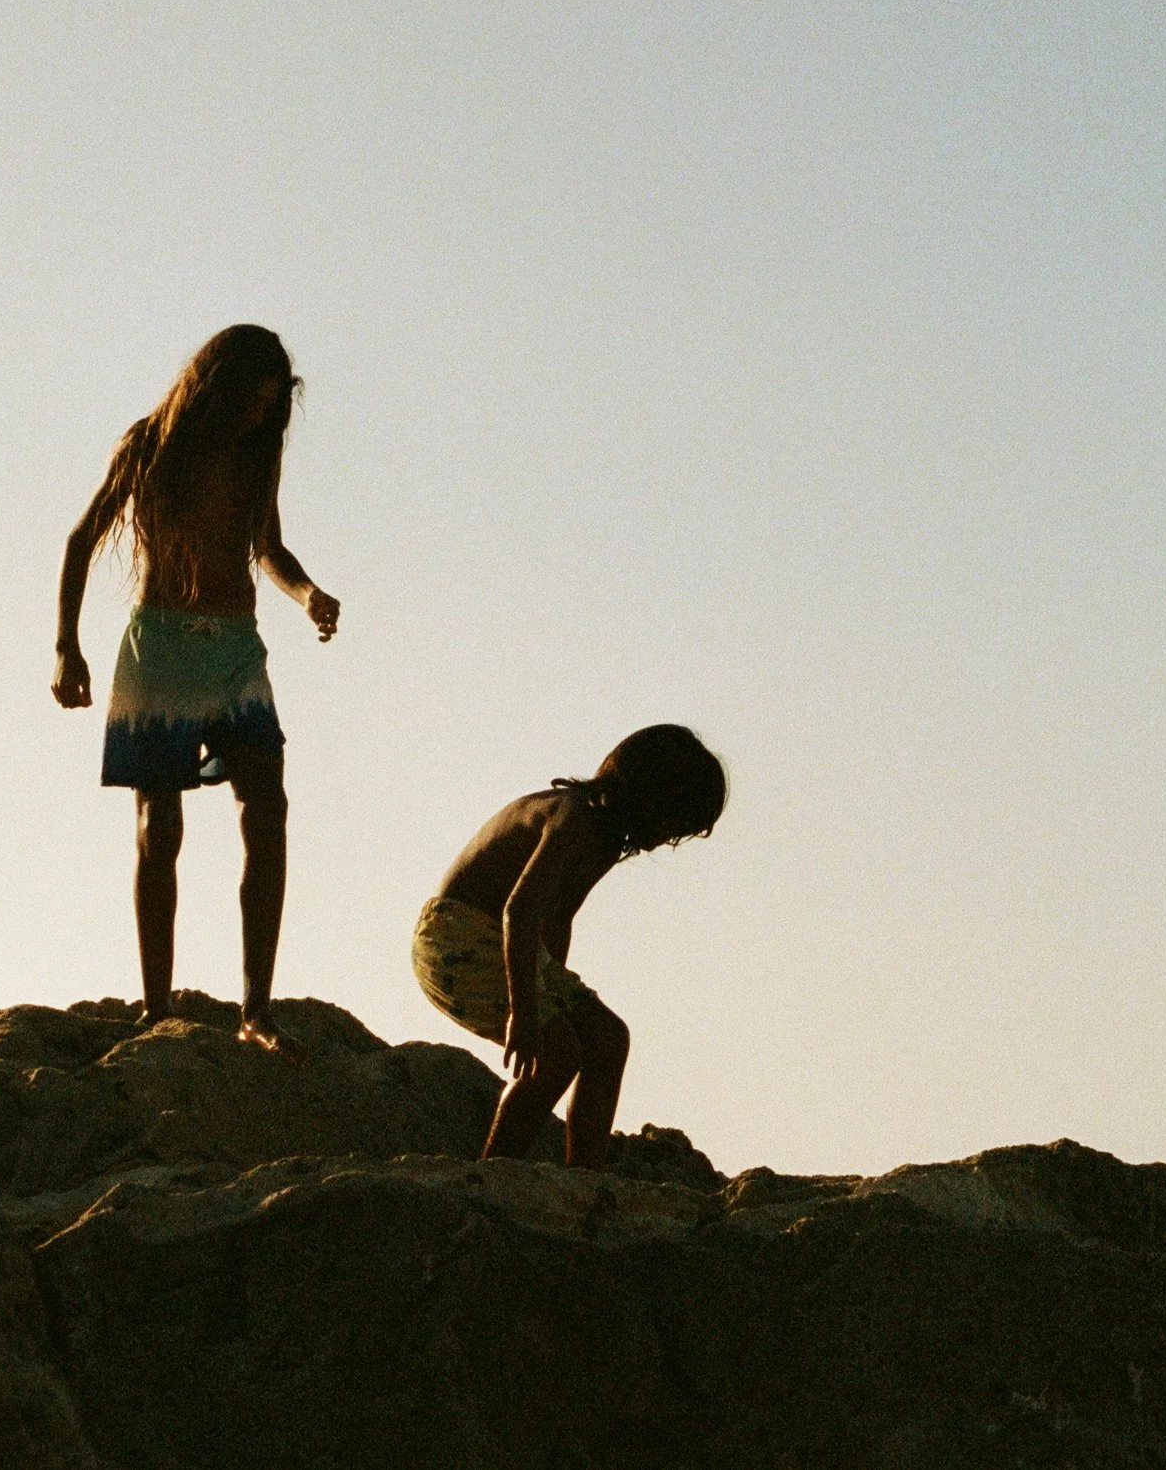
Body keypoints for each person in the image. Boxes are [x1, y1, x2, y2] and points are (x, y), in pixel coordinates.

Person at [53, 324, 340, 1051]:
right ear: (217, 390)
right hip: (164, 647)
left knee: (268, 808)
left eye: (272, 405)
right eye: (251, 400)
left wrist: (306, 594)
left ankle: (256, 1012)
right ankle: (156, 1008)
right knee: (162, 827)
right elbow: (81, 538)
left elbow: (267, 549)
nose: (259, 415)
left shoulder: (259, 452)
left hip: (236, 649)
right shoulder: (150, 445)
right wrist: (67, 648)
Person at [411, 725, 727, 1167]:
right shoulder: (573, 818)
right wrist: (526, 1011)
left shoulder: (606, 841)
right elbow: (519, 911)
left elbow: (557, 920)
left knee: (608, 1039)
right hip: (454, 935)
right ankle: (493, 1172)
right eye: (676, 818)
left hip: (512, 941)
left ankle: (585, 1175)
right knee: (555, 1053)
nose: (672, 835)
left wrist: (555, 993)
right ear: (649, 795)